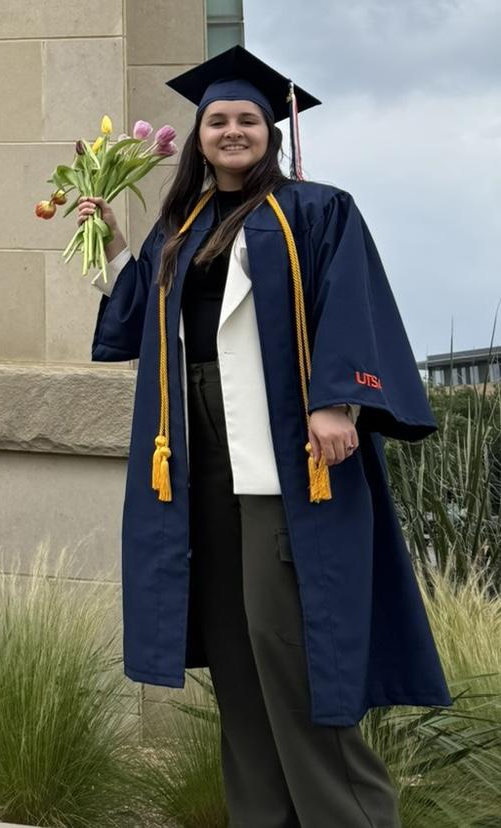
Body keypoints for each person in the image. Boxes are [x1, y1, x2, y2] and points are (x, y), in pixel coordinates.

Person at [82, 45, 448, 828]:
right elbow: (141, 322)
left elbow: (349, 303)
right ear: (200, 135)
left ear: (270, 132)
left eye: (247, 119)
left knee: (289, 646)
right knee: (237, 655)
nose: (232, 131)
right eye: (217, 120)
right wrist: (113, 241)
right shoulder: (181, 228)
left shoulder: (315, 210)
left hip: (283, 450)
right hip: (195, 458)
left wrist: (337, 402)